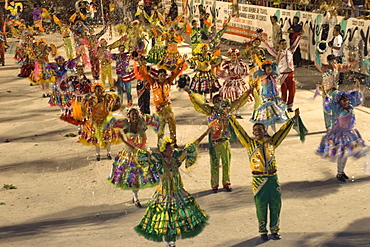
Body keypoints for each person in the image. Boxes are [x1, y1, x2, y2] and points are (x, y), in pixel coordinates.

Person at [130, 127, 211, 247]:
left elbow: (192, 146)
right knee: (164, 221)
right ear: (163, 150)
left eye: (172, 148)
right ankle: (169, 243)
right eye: (169, 149)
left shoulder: (176, 158)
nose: (171, 150)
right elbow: (140, 153)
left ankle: (171, 242)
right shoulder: (157, 160)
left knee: (176, 220)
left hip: (177, 193)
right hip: (163, 195)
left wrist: (205, 133)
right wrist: (125, 141)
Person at [230, 107, 300, 241]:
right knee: (261, 207)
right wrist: (230, 118)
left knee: (276, 204)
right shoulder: (249, 144)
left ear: (265, 130)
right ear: (253, 133)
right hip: (258, 179)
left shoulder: (272, 142)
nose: (257, 132)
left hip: (273, 178)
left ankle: (275, 229)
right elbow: (239, 131)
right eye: (255, 130)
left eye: (260, 129)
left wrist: (293, 119)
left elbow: (282, 132)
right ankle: (262, 230)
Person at [186, 87, 253, 193]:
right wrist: (191, 95)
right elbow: (199, 105)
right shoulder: (210, 111)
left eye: (220, 100)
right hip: (214, 142)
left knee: (226, 163)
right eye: (216, 101)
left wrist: (248, 92)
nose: (219, 102)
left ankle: (226, 183)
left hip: (225, 141)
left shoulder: (227, 110)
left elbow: (239, 102)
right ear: (212, 102)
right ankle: (214, 185)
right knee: (214, 163)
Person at [108, 107, 160, 208]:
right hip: (130, 155)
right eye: (132, 114)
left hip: (143, 153)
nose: (135, 116)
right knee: (133, 177)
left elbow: (155, 120)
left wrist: (157, 120)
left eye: (136, 114)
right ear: (129, 116)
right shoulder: (125, 124)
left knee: (151, 174)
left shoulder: (142, 122)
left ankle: (158, 194)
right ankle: (135, 197)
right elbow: (112, 124)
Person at [316, 80, 367, 182]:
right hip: (340, 134)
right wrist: (324, 93)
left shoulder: (351, 107)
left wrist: (357, 86)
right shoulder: (337, 110)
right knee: (342, 154)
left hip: (350, 133)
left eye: (347, 100)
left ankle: (341, 172)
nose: (346, 102)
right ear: (339, 102)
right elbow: (328, 102)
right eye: (344, 101)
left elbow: (356, 97)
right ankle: (340, 173)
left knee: (346, 154)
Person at [137, 55, 187, 145]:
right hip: (159, 108)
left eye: (164, 75)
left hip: (168, 107)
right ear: (158, 76)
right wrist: (142, 66)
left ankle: (173, 142)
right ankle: (160, 143)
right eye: (161, 75)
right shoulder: (153, 82)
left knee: (172, 124)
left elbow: (176, 72)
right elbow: (145, 75)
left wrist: (181, 62)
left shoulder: (169, 81)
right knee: (160, 127)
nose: (163, 77)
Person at [79, 82, 122, 161]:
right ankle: (97, 154)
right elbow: (86, 108)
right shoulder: (91, 100)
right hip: (96, 122)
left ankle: (108, 153)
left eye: (101, 90)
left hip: (105, 122)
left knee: (108, 138)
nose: (99, 92)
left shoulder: (106, 98)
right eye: (97, 90)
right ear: (94, 91)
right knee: (97, 139)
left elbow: (113, 102)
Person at [263, 32, 303, 112]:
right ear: (279, 45)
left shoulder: (290, 51)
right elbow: (269, 48)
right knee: (284, 92)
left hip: (291, 74)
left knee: (292, 91)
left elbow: (296, 44)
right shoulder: (277, 53)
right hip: (282, 75)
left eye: (285, 43)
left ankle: (289, 106)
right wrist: (264, 41)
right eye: (283, 44)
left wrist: (300, 36)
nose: (284, 45)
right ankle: (283, 106)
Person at [314, 52, 352, 130]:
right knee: (327, 109)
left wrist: (350, 65)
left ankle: (335, 125)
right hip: (326, 91)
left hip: (335, 91)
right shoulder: (324, 68)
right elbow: (317, 62)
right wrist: (318, 53)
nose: (333, 63)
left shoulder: (337, 67)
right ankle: (328, 126)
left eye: (334, 61)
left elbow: (345, 68)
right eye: (331, 61)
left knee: (336, 108)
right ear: (328, 61)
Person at [250, 60, 290, 133]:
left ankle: (273, 132)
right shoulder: (264, 77)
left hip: (273, 98)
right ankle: (266, 131)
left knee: (273, 117)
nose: (269, 71)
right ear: (264, 70)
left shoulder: (272, 77)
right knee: (267, 118)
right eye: (268, 69)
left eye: (270, 69)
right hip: (266, 99)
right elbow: (258, 80)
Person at [218, 48, 250, 119]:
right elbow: (222, 71)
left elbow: (245, 72)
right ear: (230, 56)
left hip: (238, 82)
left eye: (235, 55)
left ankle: (237, 113)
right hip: (230, 82)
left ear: (237, 55)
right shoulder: (227, 64)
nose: (233, 56)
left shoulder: (241, 64)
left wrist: (241, 76)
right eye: (232, 55)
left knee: (238, 96)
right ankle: (230, 112)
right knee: (230, 96)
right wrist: (225, 75)